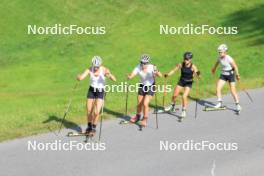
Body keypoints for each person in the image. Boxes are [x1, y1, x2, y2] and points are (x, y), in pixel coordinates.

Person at [77, 56, 116, 136]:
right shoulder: (89, 69)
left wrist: (109, 74)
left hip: (100, 91)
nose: (95, 68)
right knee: (89, 110)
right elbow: (81, 77)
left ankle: (94, 128)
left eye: (97, 67)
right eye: (94, 67)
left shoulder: (104, 70)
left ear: (100, 65)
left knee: (96, 112)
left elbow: (114, 79)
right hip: (91, 90)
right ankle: (89, 127)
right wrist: (79, 77)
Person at [127, 54, 162, 127]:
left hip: (151, 86)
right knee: (139, 103)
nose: (143, 64)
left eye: (145, 63)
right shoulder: (138, 67)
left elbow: (160, 75)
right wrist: (129, 77)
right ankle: (137, 116)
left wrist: (156, 72)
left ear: (148, 63)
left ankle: (145, 119)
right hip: (142, 86)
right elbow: (132, 74)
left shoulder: (152, 67)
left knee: (145, 103)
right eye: (141, 62)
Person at [164, 52, 200, 118]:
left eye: (187, 59)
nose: (185, 60)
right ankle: (172, 106)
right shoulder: (181, 64)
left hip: (188, 83)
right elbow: (174, 70)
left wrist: (198, 74)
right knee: (174, 95)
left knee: (184, 96)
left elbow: (198, 75)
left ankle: (184, 110)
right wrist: (168, 74)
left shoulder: (193, 66)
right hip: (181, 81)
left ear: (190, 59)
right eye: (185, 59)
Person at [211, 44, 241, 111]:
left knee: (233, 91)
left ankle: (238, 104)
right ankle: (219, 103)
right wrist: (214, 69)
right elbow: (217, 63)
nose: (219, 53)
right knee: (218, 88)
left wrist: (237, 75)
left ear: (225, 52)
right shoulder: (219, 58)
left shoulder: (229, 58)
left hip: (230, 75)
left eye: (221, 52)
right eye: (219, 52)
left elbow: (235, 66)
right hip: (223, 75)